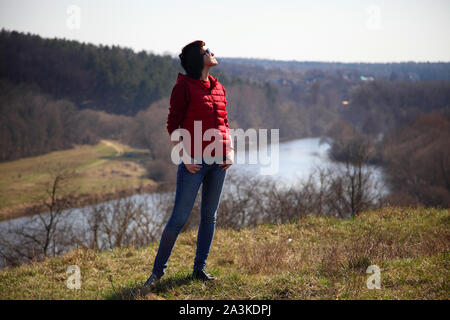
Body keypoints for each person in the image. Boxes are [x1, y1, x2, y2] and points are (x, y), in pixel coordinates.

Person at [143, 40, 234, 287]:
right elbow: (173, 125)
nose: (212, 53)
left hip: (219, 162)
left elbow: (225, 121)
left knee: (209, 217)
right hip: (194, 163)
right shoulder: (183, 87)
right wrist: (184, 157)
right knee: (178, 219)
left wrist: (230, 150)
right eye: (207, 51)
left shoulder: (218, 87)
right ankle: (157, 274)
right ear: (198, 59)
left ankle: (199, 269)